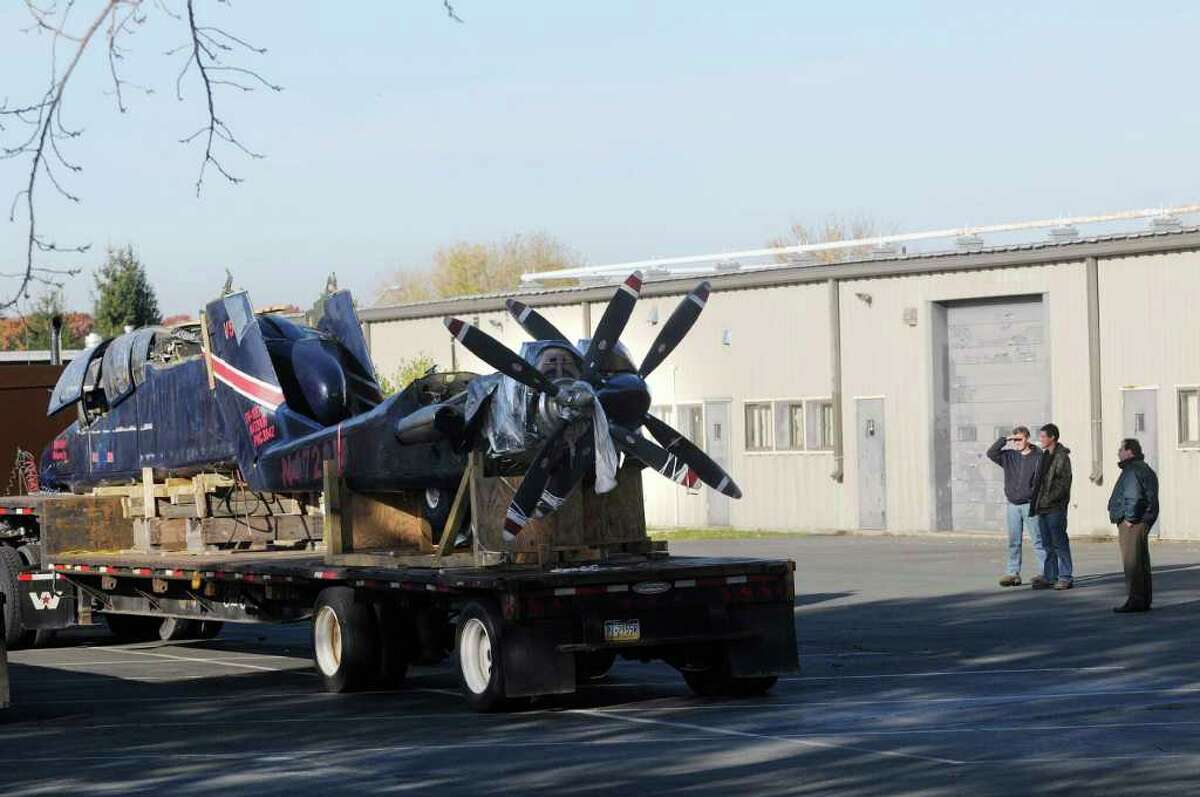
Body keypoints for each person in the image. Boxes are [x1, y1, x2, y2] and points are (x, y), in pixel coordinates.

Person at [987, 426, 1048, 588]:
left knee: (1038, 540)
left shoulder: (1037, 456)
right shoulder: (1009, 456)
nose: (1017, 443)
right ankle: (1013, 573)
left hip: (1030, 505)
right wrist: (1005, 439)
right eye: (1014, 440)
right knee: (1014, 541)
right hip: (1013, 505)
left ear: (1027, 439)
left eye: (1019, 439)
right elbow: (991, 453)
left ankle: (1045, 572)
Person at [1107, 438, 1159, 613]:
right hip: (1143, 519)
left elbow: (1133, 496)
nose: (1118, 452)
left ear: (1129, 452)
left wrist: (1129, 518)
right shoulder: (1143, 468)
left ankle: (1136, 600)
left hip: (1134, 522)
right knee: (1141, 560)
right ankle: (1143, 598)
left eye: (1121, 449)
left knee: (1132, 562)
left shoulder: (1132, 470)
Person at [1030, 423, 1073, 590]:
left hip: (1055, 508)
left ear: (1052, 437)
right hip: (1042, 507)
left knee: (1059, 543)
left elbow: (1064, 483)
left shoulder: (1062, 457)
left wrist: (1048, 499)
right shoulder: (1043, 455)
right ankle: (1050, 575)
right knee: (1047, 544)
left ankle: (1065, 576)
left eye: (1043, 436)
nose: (1040, 439)